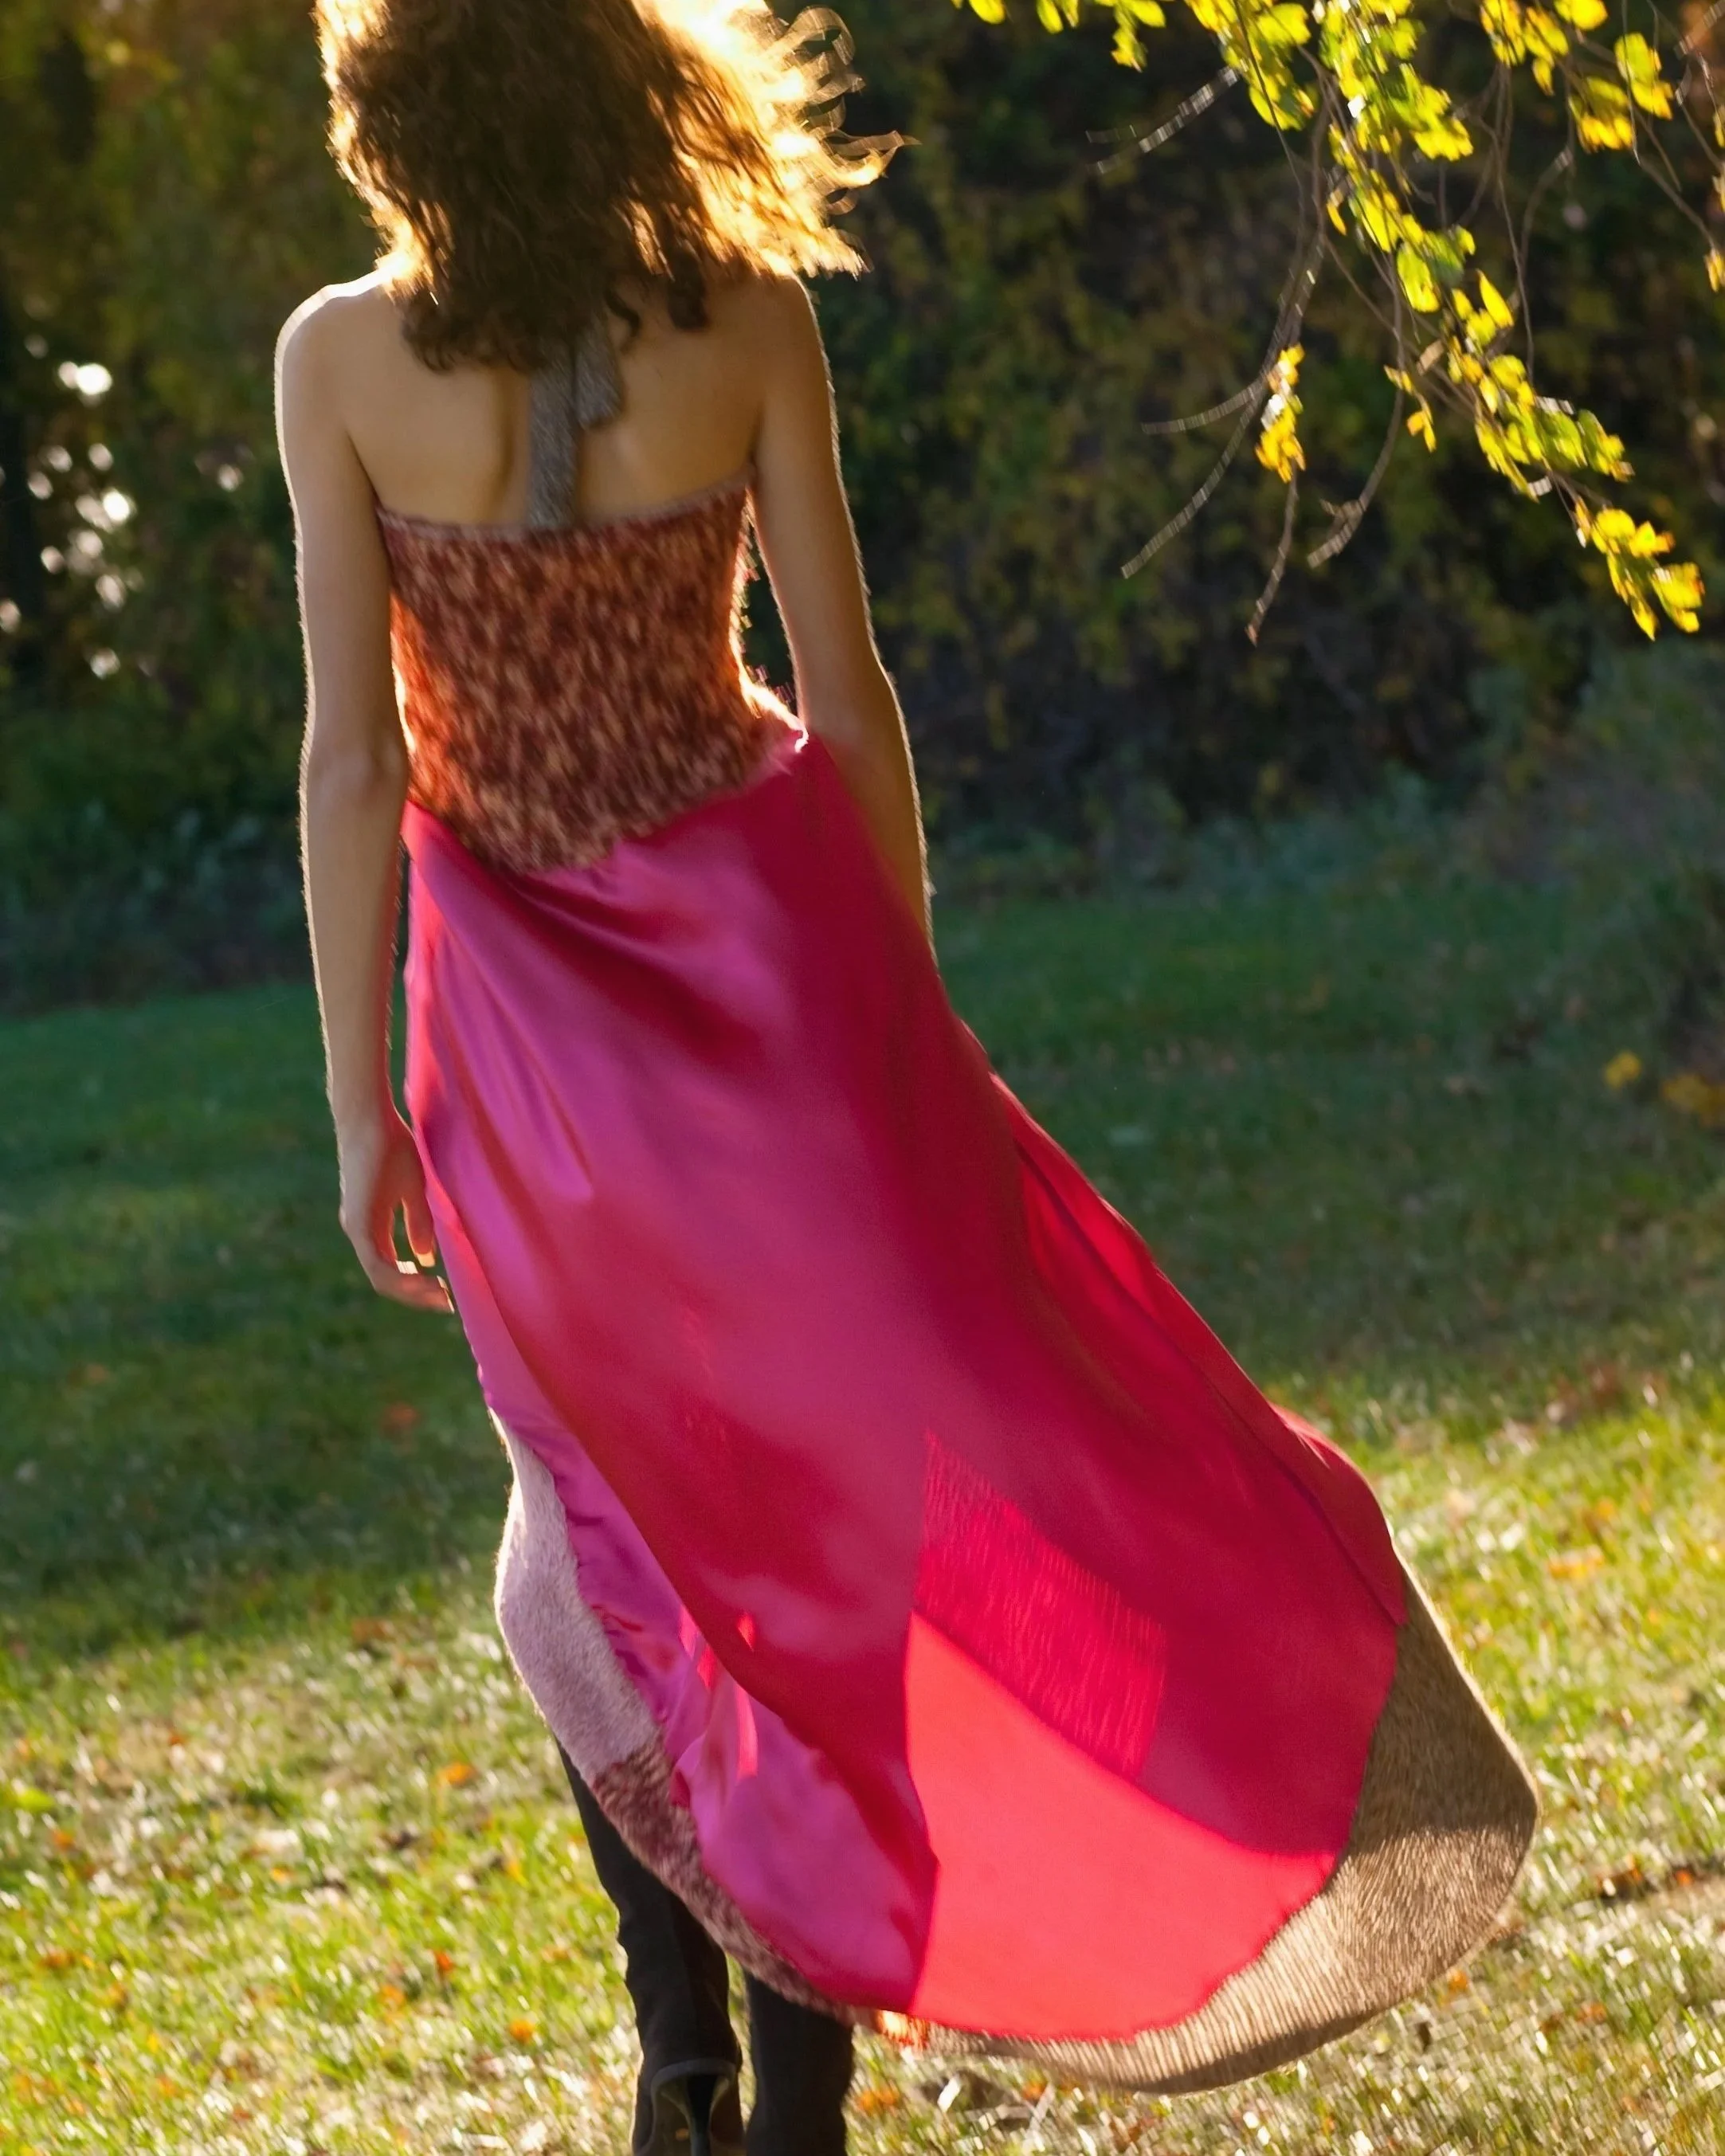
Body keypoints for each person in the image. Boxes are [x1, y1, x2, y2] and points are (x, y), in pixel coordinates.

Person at [276, 2, 1536, 2150]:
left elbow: (354, 757)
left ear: (396, 108)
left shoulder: (338, 361)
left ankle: (692, 2064)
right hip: (770, 972)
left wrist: (357, 1100)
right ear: (632, 83)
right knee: (837, 1531)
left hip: (518, 1027)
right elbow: (846, 697)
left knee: (599, 1535)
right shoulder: (747, 318)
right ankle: (778, 2087)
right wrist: (893, 1015)